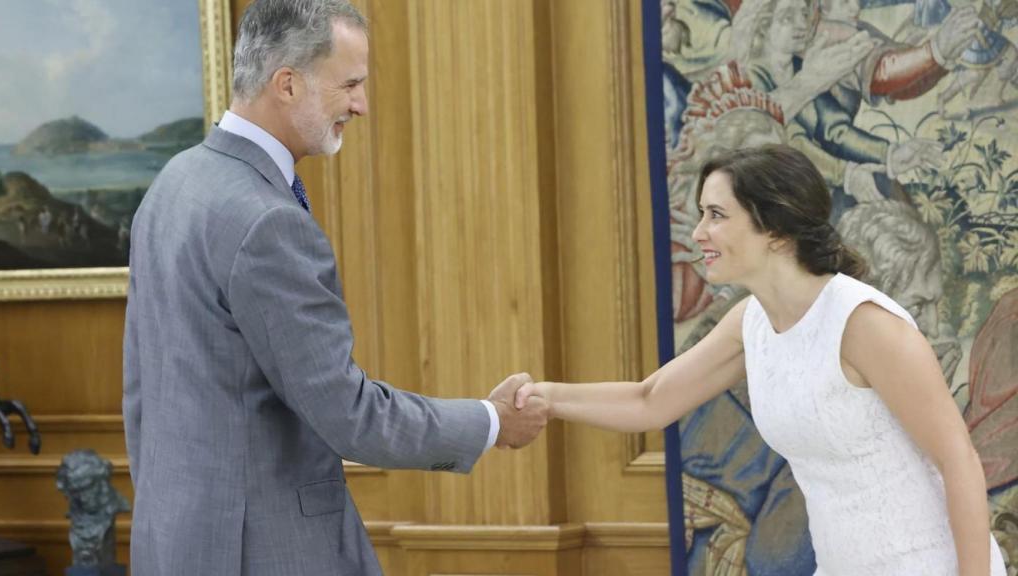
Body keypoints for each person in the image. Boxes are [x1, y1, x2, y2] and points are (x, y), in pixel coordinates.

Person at [122, 1, 547, 575]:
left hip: (174, 543)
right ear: (288, 84)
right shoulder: (265, 219)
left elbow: (141, 396)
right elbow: (349, 414)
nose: (361, 105)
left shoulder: (172, 184)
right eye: (349, 84)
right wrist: (493, 422)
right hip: (264, 553)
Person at [514, 144, 1007, 574]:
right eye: (702, 214)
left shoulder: (865, 324)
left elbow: (958, 459)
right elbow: (651, 400)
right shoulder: (749, 322)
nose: (699, 233)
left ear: (775, 230)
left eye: (717, 215)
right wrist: (542, 397)